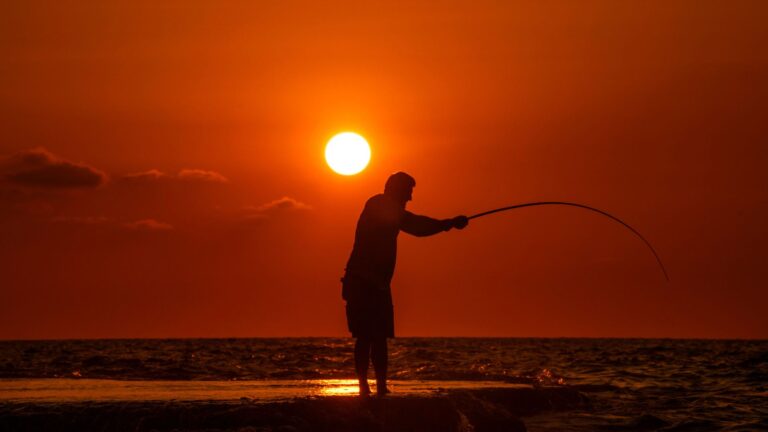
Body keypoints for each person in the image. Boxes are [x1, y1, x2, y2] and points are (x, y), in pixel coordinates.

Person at [341, 172, 468, 396]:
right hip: (361, 281)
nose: (410, 197)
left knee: (379, 337)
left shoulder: (389, 209)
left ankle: (380, 386)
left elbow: (413, 224)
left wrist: (446, 224)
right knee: (365, 336)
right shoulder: (378, 204)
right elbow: (415, 226)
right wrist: (447, 224)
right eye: (408, 192)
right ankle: (363, 385)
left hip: (379, 284)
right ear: (396, 189)